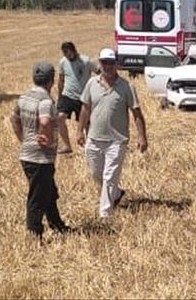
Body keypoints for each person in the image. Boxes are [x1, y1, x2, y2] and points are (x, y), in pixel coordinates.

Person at [77, 48, 148, 218]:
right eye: (104, 63)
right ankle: (116, 194)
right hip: (94, 138)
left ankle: (105, 214)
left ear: (117, 64)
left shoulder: (126, 87)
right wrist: (79, 131)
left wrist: (142, 136)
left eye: (110, 63)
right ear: (99, 64)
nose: (107, 66)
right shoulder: (91, 84)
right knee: (96, 174)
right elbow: (85, 109)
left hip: (117, 141)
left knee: (109, 177)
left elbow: (137, 114)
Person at [11, 62, 71, 238]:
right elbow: (45, 121)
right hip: (40, 158)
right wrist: (47, 138)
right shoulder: (45, 100)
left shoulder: (24, 97)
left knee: (49, 193)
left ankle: (57, 225)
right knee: (37, 197)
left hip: (27, 155)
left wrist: (24, 139)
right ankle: (34, 233)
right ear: (51, 80)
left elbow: (14, 119)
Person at [57, 42, 99, 154]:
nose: (68, 57)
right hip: (67, 95)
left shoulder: (86, 61)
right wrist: (60, 97)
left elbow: (100, 73)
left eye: (69, 54)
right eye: (65, 54)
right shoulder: (63, 62)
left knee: (86, 123)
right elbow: (61, 80)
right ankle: (67, 146)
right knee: (59, 118)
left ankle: (89, 147)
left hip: (83, 97)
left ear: (74, 50)